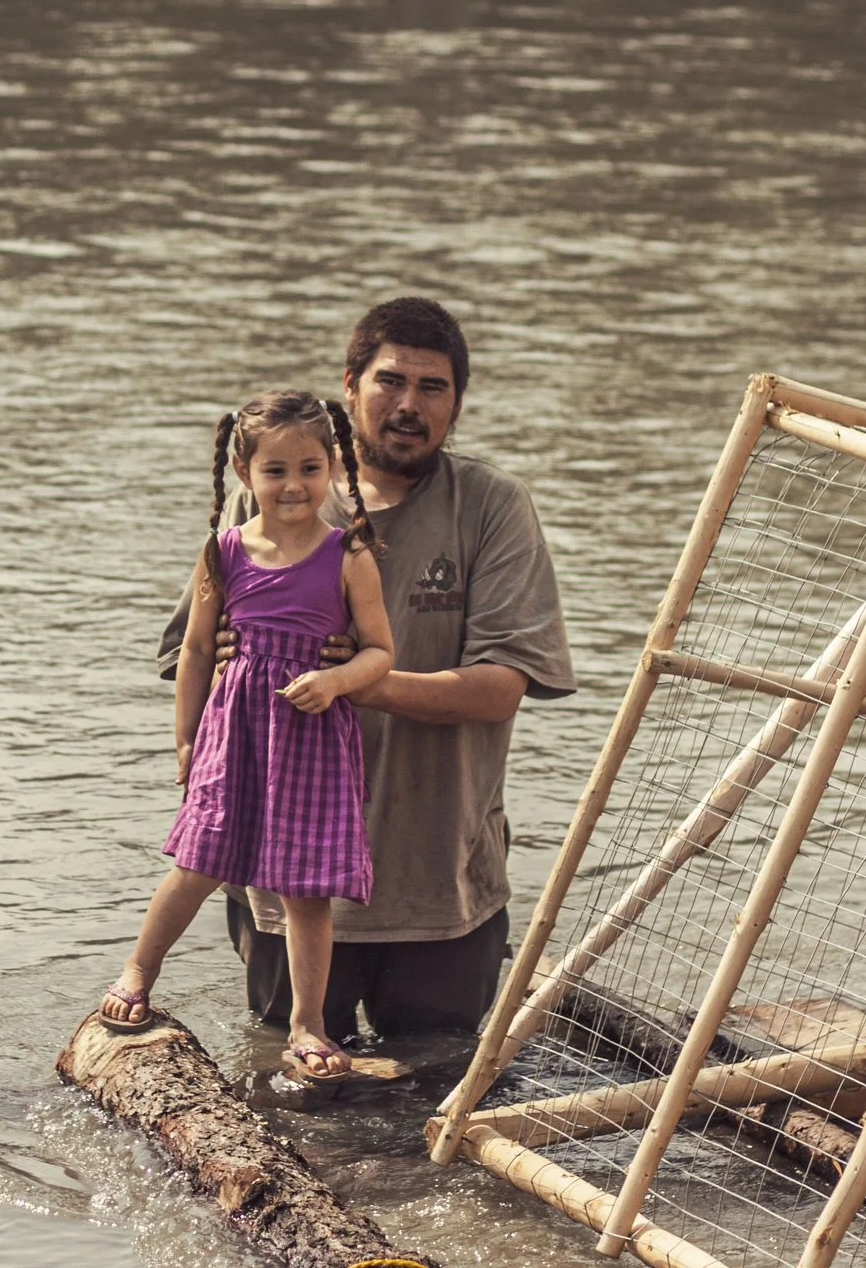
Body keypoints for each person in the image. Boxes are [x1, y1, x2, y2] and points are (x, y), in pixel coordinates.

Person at [159, 297, 573, 1043]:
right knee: (289, 1083)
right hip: (283, 868)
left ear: (457, 404)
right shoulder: (281, 496)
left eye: (433, 387)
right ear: (348, 387)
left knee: (438, 1082)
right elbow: (190, 651)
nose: (409, 405)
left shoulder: (490, 507)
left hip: (438, 880)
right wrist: (218, 689)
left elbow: (503, 686)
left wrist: (359, 681)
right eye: (390, 381)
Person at [102, 389, 394, 1079]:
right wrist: (186, 740)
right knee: (197, 862)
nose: (294, 485)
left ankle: (307, 1024)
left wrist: (336, 682)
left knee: (304, 891)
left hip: (312, 738)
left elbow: (381, 651)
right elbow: (198, 652)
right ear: (244, 472)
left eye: (310, 467)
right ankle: (139, 972)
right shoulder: (223, 553)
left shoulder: (349, 554)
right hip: (233, 734)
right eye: (275, 470)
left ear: (334, 467)